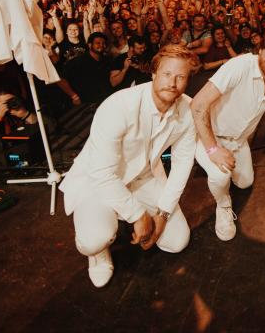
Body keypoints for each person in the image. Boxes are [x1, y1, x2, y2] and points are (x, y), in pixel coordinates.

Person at [59, 44, 199, 288]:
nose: (172, 83)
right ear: (154, 73)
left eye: (181, 76)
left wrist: (163, 212)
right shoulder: (118, 105)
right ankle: (99, 252)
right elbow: (102, 173)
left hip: (142, 177)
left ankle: (124, 215)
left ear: (188, 80)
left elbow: (182, 163)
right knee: (95, 238)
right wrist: (137, 215)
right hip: (98, 182)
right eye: (167, 74)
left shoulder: (188, 109)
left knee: (177, 241)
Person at [189, 34, 265, 241]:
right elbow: (198, 105)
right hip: (209, 135)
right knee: (221, 176)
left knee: (245, 183)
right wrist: (213, 150)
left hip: (238, 142)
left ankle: (220, 169)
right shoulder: (240, 66)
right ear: (261, 49)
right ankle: (223, 205)